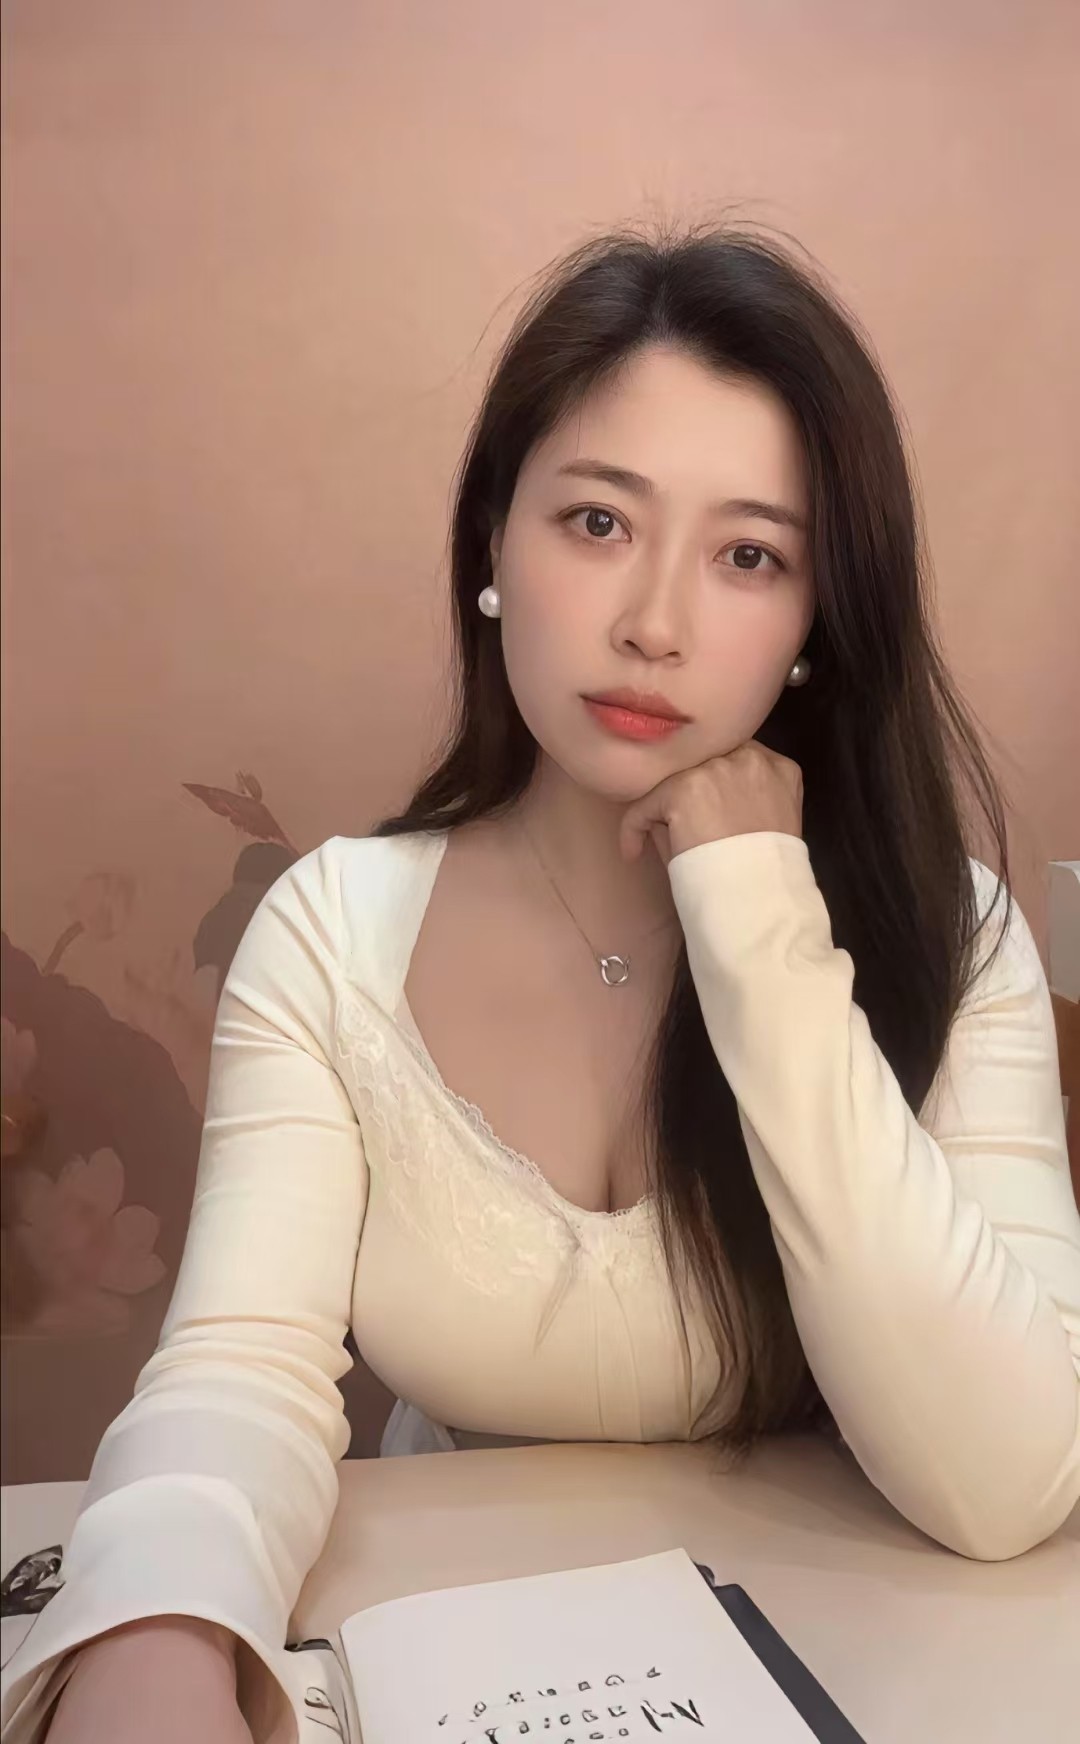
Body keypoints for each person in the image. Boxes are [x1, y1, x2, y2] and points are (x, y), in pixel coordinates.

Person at [4, 225, 1079, 1744]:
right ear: (492, 551)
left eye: (750, 555)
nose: (655, 622)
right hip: (436, 1662)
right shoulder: (334, 931)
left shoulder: (951, 935)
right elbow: (241, 1371)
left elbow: (1007, 1483)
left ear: (815, 627)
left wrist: (760, 923)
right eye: (597, 521)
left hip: (886, 1676)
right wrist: (153, 1637)